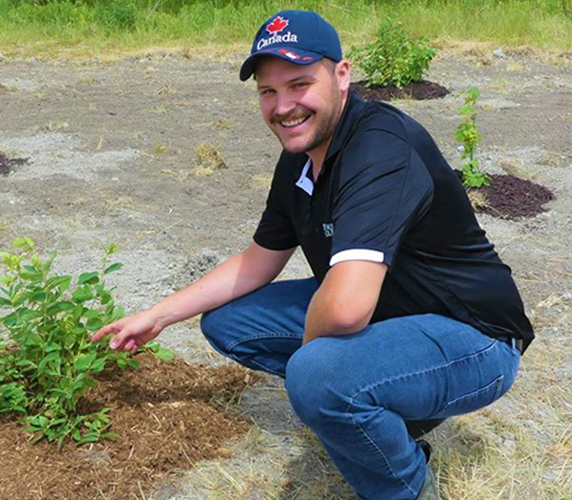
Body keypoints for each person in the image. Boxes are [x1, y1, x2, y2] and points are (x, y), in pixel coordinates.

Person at [90, 10, 533, 500]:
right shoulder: (299, 158)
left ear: (342, 75)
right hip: (390, 309)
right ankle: (373, 405)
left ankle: (407, 484)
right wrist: (158, 316)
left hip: (474, 337)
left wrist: (318, 374)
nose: (283, 106)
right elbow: (260, 259)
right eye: (267, 91)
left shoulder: (381, 150)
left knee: (318, 376)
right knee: (228, 322)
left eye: (299, 84)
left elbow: (344, 310)